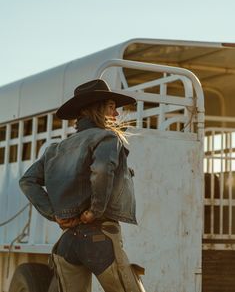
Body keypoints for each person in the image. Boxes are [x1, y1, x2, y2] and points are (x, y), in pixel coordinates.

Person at [19, 79, 146, 292]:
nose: (116, 115)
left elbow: (27, 181)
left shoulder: (55, 149)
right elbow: (102, 171)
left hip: (67, 243)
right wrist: (95, 211)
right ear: (98, 108)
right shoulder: (107, 138)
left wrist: (54, 214)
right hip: (99, 238)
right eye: (112, 107)